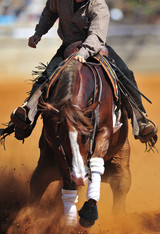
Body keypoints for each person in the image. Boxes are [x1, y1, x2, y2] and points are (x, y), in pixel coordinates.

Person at [11, 0, 157, 143]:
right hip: (68, 46)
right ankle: (28, 114)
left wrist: (84, 52)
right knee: (47, 77)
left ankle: (140, 119)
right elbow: (50, 11)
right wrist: (39, 33)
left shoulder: (98, 5)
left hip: (95, 48)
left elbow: (97, 35)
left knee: (125, 74)